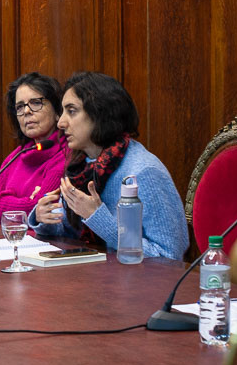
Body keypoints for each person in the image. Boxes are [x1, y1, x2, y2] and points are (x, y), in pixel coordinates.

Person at [29, 72, 188, 260]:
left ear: (100, 112)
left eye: (71, 111)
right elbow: (75, 236)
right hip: (88, 278)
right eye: (62, 111)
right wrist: (46, 218)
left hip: (135, 285)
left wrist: (98, 217)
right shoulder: (80, 166)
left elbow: (170, 256)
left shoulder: (144, 172)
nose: (61, 123)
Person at [0, 72, 67, 224]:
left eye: (36, 103)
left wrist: (5, 201)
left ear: (57, 112)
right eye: (20, 107)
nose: (26, 111)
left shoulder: (66, 154)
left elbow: (46, 212)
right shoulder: (15, 157)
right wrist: (29, 205)